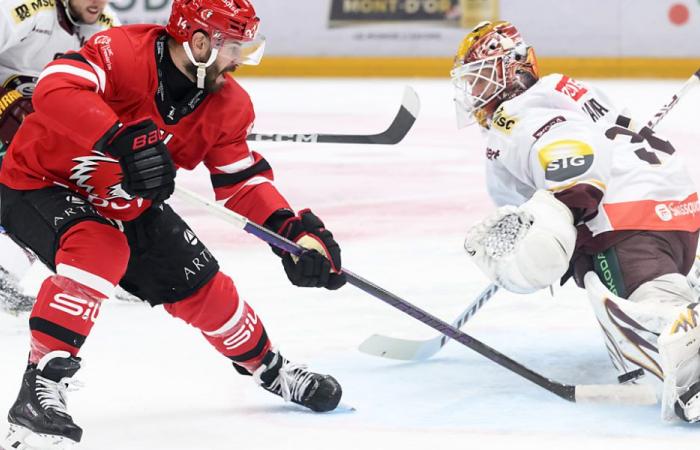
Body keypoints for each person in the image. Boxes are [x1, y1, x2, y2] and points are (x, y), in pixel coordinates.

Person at [0, 0, 347, 447]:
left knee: (205, 285)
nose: (239, 61)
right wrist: (120, 138)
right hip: (36, 181)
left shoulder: (229, 105)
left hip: (127, 202)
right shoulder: (125, 51)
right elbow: (56, 86)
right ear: (199, 42)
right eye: (233, 48)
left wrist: (291, 234)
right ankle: (40, 390)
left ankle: (271, 369)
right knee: (99, 246)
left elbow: (241, 183)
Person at [452, 21, 700, 423]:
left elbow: (568, 151)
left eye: (480, 79)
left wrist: (565, 202)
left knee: (652, 312)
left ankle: (693, 364)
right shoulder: (563, 91)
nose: (475, 93)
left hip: (625, 222)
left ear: (511, 70)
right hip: (673, 211)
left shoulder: (514, 116)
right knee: (638, 298)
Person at [0, 0, 119, 313]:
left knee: (77, 184)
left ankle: (6, 263)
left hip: (37, 133)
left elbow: (124, 91)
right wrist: (5, 104)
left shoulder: (106, 27)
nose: (98, 1)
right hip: (9, 122)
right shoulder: (23, 9)